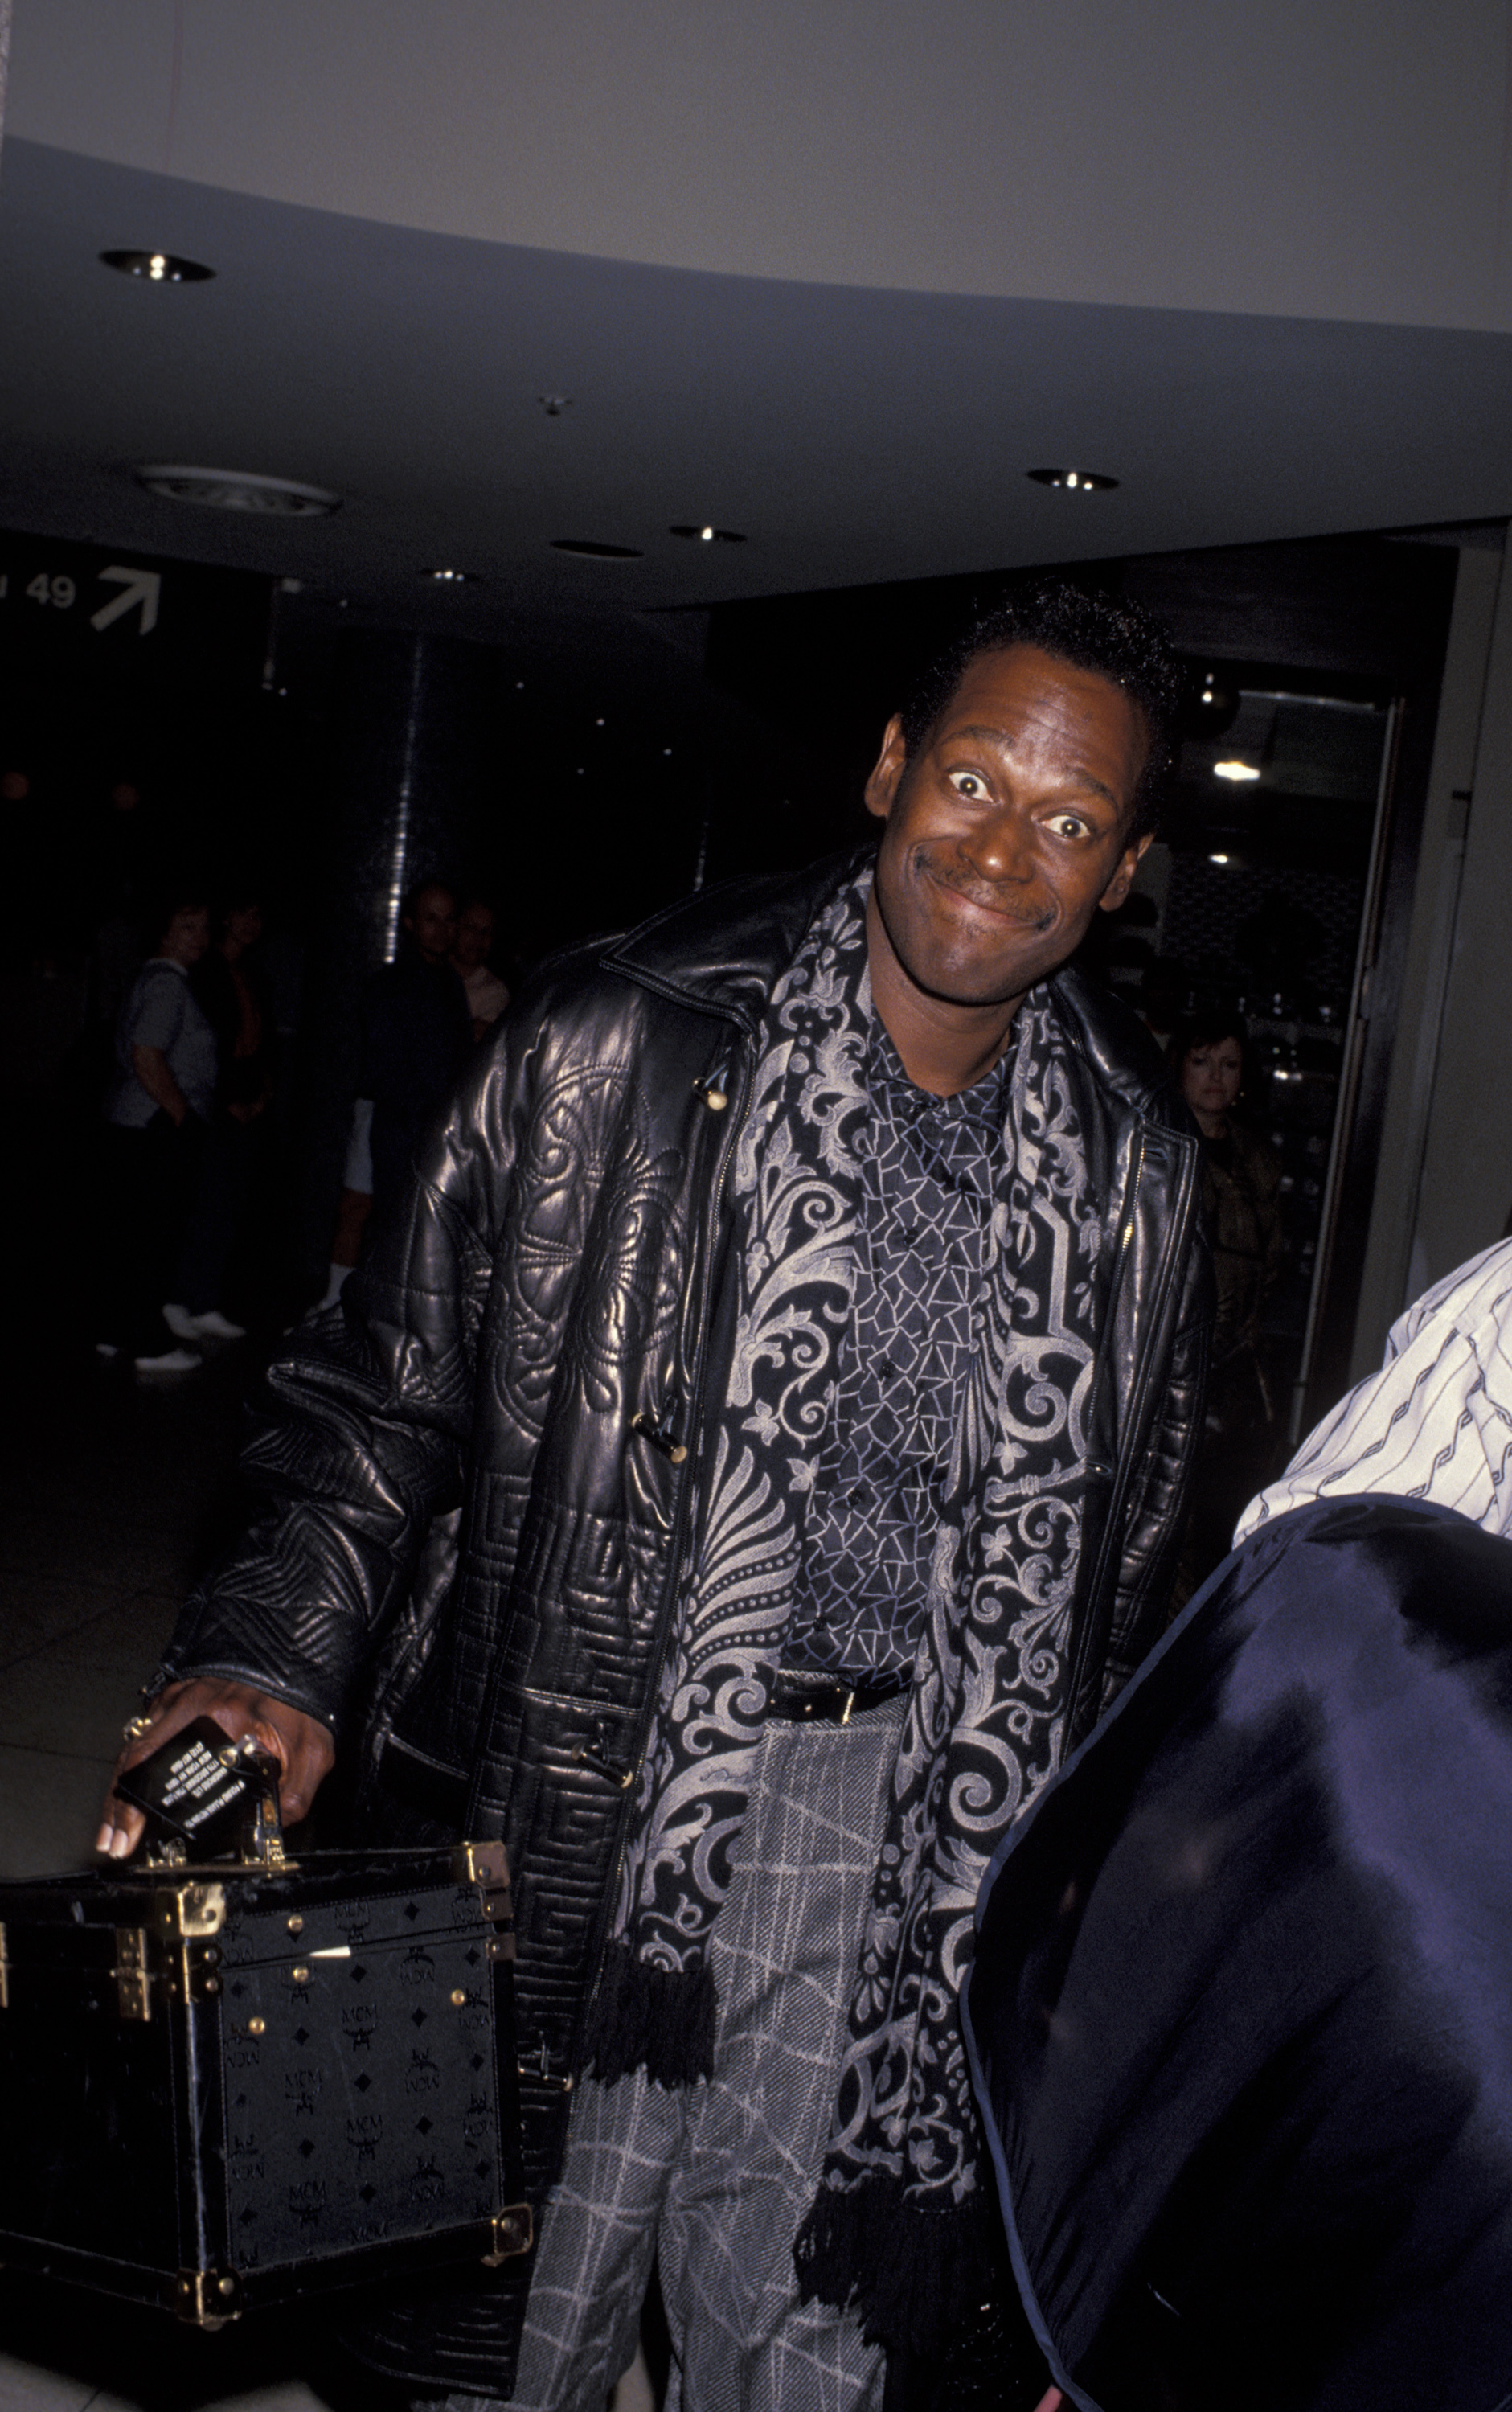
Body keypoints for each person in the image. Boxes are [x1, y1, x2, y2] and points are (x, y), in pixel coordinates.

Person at [97, 580, 1211, 2412]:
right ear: (887, 768)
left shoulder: (1137, 1172)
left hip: (910, 1826)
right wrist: (271, 1653)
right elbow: (383, 1392)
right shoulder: (613, 1037)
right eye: (970, 780)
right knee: (513, 2313)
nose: (1002, 850)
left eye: (1070, 819)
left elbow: (1127, 1569)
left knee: (804, 2342)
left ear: (1123, 868)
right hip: (584, 1761)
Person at [318, 881, 473, 1306]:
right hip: (398, 1123)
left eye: (449, 920)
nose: (441, 930)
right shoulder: (392, 984)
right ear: (410, 923)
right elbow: (386, 1065)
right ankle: (347, 1307)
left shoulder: (450, 984)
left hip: (434, 1126)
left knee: (418, 1223)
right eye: (430, 919)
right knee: (378, 1212)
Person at [1169, 1011, 1284, 1588]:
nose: (1215, 1077)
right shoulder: (1157, 1145)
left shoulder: (1258, 1161)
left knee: (1220, 1524)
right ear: (1179, 1067)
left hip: (1234, 1374)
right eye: (1201, 1062)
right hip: (1164, 1362)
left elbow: (1272, 1264)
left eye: (1229, 1064)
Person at [96, 888, 218, 1373]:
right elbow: (147, 1055)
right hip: (153, 1126)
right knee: (152, 1238)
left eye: (204, 927)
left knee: (129, 1235)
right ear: (164, 932)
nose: (199, 937)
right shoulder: (167, 984)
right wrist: (181, 1115)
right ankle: (147, 1343)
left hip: (133, 1123)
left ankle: (114, 1331)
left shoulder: (151, 977)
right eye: (187, 927)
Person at [163, 892, 275, 1343]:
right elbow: (207, 1042)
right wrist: (225, 1098)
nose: (251, 924)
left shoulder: (252, 973)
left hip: (246, 1096)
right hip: (213, 1100)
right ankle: (178, 1298)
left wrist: (262, 1092)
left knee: (229, 1203)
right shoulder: (204, 971)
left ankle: (205, 1299)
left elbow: (260, 1038)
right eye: (243, 914)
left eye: (257, 916)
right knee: (202, 1202)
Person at [453, 896, 511, 1041]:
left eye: (486, 931)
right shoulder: (430, 974)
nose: (478, 938)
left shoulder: (495, 991)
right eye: (471, 928)